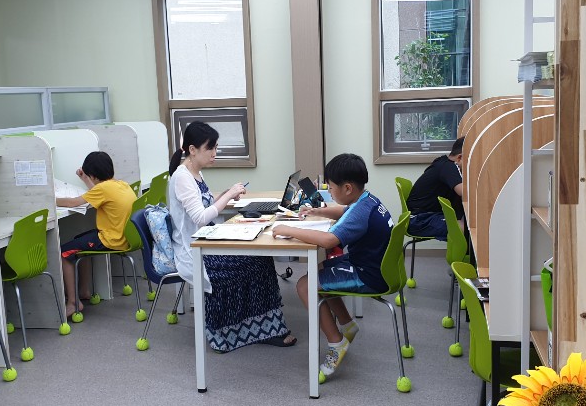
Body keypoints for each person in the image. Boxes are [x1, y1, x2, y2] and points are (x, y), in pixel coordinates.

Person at [168, 121, 296, 351]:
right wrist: (228, 196)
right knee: (255, 261)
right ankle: (237, 331)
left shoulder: (195, 173)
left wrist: (226, 194)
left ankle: (263, 327)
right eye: (210, 148)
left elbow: (204, 205)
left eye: (216, 147)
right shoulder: (182, 177)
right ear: (192, 149)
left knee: (260, 258)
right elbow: (200, 217)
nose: (214, 153)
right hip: (195, 250)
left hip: (207, 241)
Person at [273, 153, 392, 377]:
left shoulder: (360, 211)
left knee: (304, 286)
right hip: (374, 265)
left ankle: (336, 342)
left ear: (347, 188)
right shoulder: (367, 200)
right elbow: (343, 211)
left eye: (331, 187)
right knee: (319, 271)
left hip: (368, 275)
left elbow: (329, 240)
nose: (330, 190)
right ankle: (347, 325)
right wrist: (316, 210)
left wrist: (288, 229)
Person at [56, 151, 137, 318]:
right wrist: (86, 179)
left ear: (93, 175)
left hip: (111, 240)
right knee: (79, 241)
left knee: (64, 253)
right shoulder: (121, 184)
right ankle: (84, 290)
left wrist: (49, 199)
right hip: (126, 237)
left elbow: (72, 203)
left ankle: (73, 302)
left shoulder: (102, 189)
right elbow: (99, 192)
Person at [404, 136, 465, 240]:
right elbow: (464, 192)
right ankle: (462, 251)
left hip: (425, 215)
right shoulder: (449, 167)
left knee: (466, 219)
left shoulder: (443, 163)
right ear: (459, 158)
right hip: (418, 220)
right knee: (465, 228)